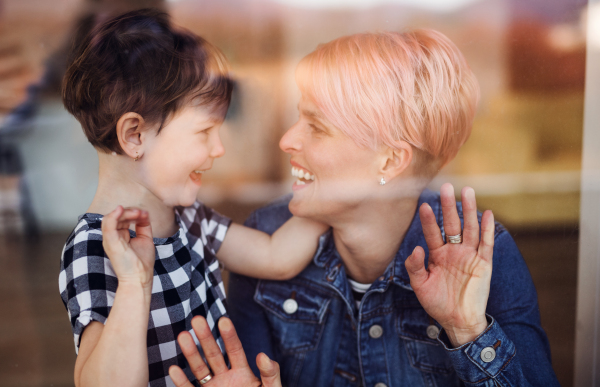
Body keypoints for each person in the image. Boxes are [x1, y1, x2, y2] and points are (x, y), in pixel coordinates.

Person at [228, 30, 561, 386]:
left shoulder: (481, 255)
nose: (287, 140)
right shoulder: (264, 236)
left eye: (317, 127)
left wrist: (468, 331)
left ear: (389, 162)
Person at [58, 9, 328, 387]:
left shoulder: (187, 216)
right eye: (204, 131)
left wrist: (335, 193)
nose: (218, 149)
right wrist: (135, 282)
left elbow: (273, 256)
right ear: (135, 136)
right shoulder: (93, 249)